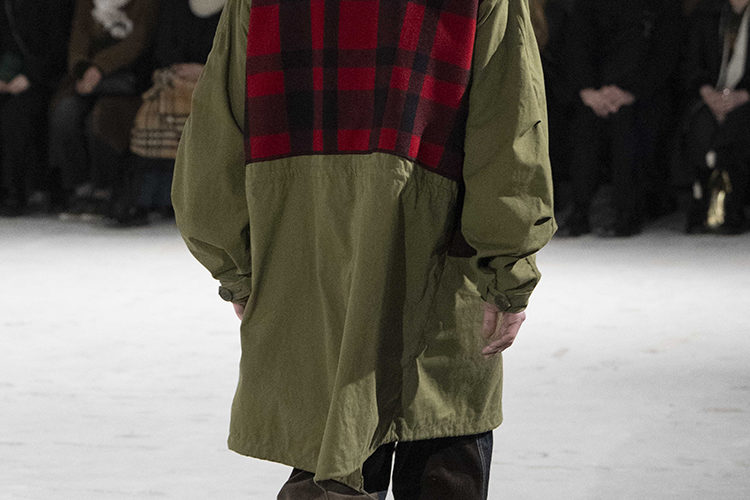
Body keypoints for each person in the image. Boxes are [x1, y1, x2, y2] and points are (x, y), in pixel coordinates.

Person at [172, 0, 555, 498]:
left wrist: (237, 267)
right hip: (437, 259)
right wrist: (509, 270)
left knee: (330, 446)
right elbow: (507, 131)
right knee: (441, 440)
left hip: (306, 257)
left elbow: (216, 130)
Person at [562, 0, 682, 237]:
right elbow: (576, 46)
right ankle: (580, 210)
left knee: (628, 128)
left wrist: (631, 91)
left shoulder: (663, 6)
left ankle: (627, 212)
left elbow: (666, 54)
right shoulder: (586, 6)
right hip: (594, 92)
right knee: (585, 126)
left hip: (643, 94)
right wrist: (588, 91)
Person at [116, 0, 225, 226]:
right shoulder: (174, 4)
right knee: (153, 117)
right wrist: (180, 71)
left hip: (221, 82)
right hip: (176, 80)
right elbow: (164, 47)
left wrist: (206, 70)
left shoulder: (236, 6)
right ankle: (147, 199)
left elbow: (238, 52)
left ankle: (204, 204)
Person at [48, 0, 158, 216]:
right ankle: (79, 187)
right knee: (65, 113)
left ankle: (104, 189)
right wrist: (82, 68)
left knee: (101, 119)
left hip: (127, 81)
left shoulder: (145, 4)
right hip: (85, 79)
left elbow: (138, 42)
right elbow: (78, 38)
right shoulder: (87, 3)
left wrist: (99, 68)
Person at [0, 0, 74, 216]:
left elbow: (60, 48)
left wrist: (31, 77)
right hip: (12, 76)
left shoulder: (52, 5)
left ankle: (16, 190)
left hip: (47, 79)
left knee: (16, 116)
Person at [682, 0, 750, 234]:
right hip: (709, 96)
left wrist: (742, 96)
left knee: (736, 126)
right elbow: (691, 63)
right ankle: (702, 206)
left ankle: (731, 209)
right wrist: (709, 94)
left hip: (744, 98)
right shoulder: (708, 13)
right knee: (701, 126)